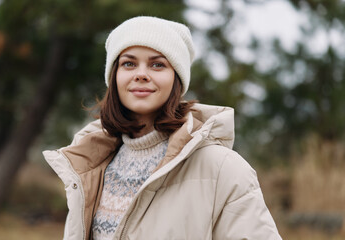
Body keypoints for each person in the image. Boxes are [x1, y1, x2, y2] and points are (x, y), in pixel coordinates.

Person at [43, 16, 282, 240]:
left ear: (176, 80)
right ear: (114, 76)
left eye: (157, 65)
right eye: (129, 63)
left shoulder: (222, 168)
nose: (141, 74)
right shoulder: (89, 167)